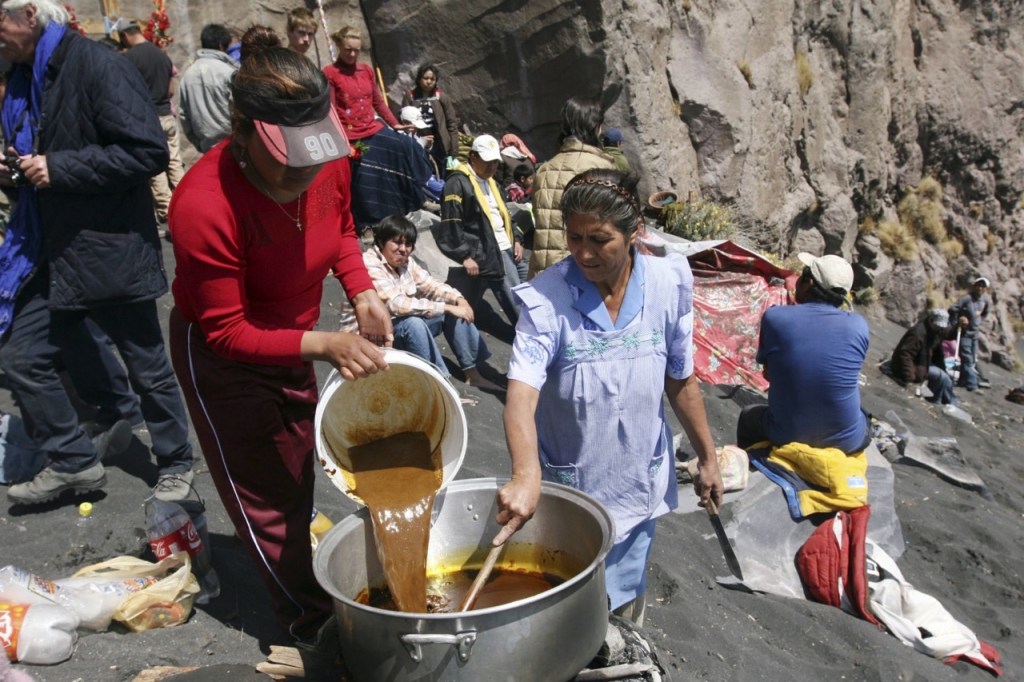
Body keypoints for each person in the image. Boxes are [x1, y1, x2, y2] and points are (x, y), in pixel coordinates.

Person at [167, 46, 393, 644]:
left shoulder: (326, 160)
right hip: (227, 358)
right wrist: (322, 343)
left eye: (313, 163)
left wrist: (363, 289)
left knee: (297, 471)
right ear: (241, 133)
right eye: (288, 167)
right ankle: (309, 623)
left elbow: (341, 228)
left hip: (299, 339)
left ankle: (302, 567)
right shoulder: (203, 205)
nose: (306, 179)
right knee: (264, 495)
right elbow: (227, 330)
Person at [494, 169, 724, 625]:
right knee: (565, 612)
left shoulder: (667, 284)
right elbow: (521, 392)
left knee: (622, 609)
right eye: (574, 237)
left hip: (638, 481)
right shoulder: (547, 300)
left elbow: (680, 379)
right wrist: (525, 474)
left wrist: (708, 457)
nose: (583, 253)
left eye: (599, 239)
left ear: (635, 232)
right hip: (573, 490)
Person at [0, 0, 195, 505]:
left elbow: (146, 150)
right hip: (48, 248)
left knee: (145, 363)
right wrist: (17, 171)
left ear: (27, 15)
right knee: (23, 353)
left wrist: (58, 168)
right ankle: (75, 459)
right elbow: (38, 150)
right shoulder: (24, 77)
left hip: (108, 246)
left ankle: (175, 461)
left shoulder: (97, 65)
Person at [339, 215, 502, 391]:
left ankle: (473, 374)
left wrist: (458, 299)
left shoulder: (406, 263)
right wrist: (446, 306)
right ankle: (439, 384)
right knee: (414, 324)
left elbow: (430, 284)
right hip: (370, 339)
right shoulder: (370, 263)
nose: (403, 249)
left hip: (394, 330)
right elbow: (396, 304)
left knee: (454, 311)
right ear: (382, 242)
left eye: (408, 245)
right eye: (396, 243)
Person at [735, 253, 870, 454]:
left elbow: (769, 373)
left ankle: (750, 466)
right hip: (846, 442)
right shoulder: (859, 326)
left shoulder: (776, 317)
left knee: (748, 417)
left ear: (808, 282)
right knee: (863, 415)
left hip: (787, 434)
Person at [323, 27, 429, 228]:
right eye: (348, 50)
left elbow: (378, 102)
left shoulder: (366, 70)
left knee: (407, 146)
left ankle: (416, 196)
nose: (352, 54)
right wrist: (341, 143)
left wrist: (395, 124)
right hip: (350, 135)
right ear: (339, 46)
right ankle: (369, 222)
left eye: (356, 50)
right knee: (365, 172)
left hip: (373, 128)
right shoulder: (330, 73)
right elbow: (330, 111)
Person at [434, 134, 523, 326]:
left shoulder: (492, 182)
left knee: (521, 293)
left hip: (504, 245)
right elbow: (451, 222)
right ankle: (531, 337)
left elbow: (504, 214)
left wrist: (516, 238)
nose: (492, 167)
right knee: (515, 299)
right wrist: (464, 256)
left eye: (495, 162)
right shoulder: (457, 183)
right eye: (487, 161)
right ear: (473, 158)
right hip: (488, 251)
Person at [529, 97, 617, 277]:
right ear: (596, 127)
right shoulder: (602, 169)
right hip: (579, 270)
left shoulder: (544, 170)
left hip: (541, 273)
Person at [119, 19, 184, 224]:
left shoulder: (129, 59)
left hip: (148, 118)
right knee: (174, 161)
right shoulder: (161, 55)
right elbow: (171, 89)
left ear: (125, 36)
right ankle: (184, 201)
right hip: (167, 114)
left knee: (156, 166)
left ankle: (167, 210)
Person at [178, 23, 238, 153]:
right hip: (232, 146)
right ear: (221, 46)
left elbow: (184, 115)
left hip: (207, 148)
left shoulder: (188, 75)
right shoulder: (228, 72)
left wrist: (199, 144)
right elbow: (238, 109)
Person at [890, 308, 965, 405]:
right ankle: (936, 400)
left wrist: (959, 326)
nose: (940, 328)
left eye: (941, 326)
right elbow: (905, 355)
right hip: (913, 366)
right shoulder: (918, 333)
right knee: (941, 376)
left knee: (946, 379)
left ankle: (947, 400)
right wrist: (909, 377)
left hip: (923, 362)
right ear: (930, 320)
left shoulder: (937, 330)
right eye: (938, 326)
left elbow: (949, 333)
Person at [401, 63, 461, 177]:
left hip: (440, 144)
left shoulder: (441, 97)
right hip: (418, 141)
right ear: (419, 79)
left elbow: (452, 123)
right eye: (426, 78)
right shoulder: (410, 96)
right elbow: (404, 121)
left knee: (442, 174)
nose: (429, 81)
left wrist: (453, 150)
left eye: (432, 79)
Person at [949, 277, 993, 391]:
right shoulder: (967, 299)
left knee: (972, 359)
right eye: (978, 285)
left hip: (975, 334)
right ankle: (972, 384)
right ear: (974, 286)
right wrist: (959, 320)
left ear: (985, 289)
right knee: (967, 359)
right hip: (965, 333)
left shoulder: (985, 300)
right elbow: (953, 309)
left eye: (983, 286)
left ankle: (963, 380)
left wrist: (977, 320)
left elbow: (985, 313)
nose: (980, 288)